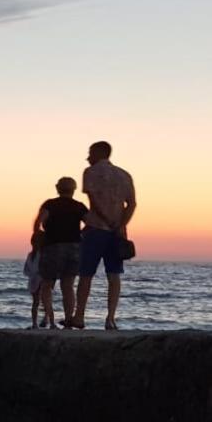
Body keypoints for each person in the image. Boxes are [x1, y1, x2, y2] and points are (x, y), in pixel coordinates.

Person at [70, 141, 136, 330]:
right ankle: (110, 318)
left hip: (96, 228)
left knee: (86, 274)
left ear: (99, 153)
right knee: (114, 275)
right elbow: (131, 204)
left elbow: (93, 200)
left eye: (90, 153)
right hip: (117, 232)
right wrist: (121, 224)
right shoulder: (124, 175)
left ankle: (79, 316)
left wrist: (107, 220)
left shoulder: (90, 172)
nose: (88, 157)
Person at [33, 176, 88, 328]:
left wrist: (38, 236)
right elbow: (90, 223)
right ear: (74, 190)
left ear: (58, 188)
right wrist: (80, 235)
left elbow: (38, 222)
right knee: (68, 285)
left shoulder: (50, 204)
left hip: (52, 246)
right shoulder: (79, 206)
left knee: (47, 284)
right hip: (74, 247)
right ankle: (69, 319)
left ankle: (50, 319)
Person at [23, 232, 49, 329]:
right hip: (42, 279)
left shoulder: (30, 255)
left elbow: (26, 270)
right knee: (45, 300)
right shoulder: (43, 254)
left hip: (32, 280)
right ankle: (46, 319)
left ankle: (35, 323)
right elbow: (45, 267)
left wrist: (32, 275)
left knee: (36, 302)